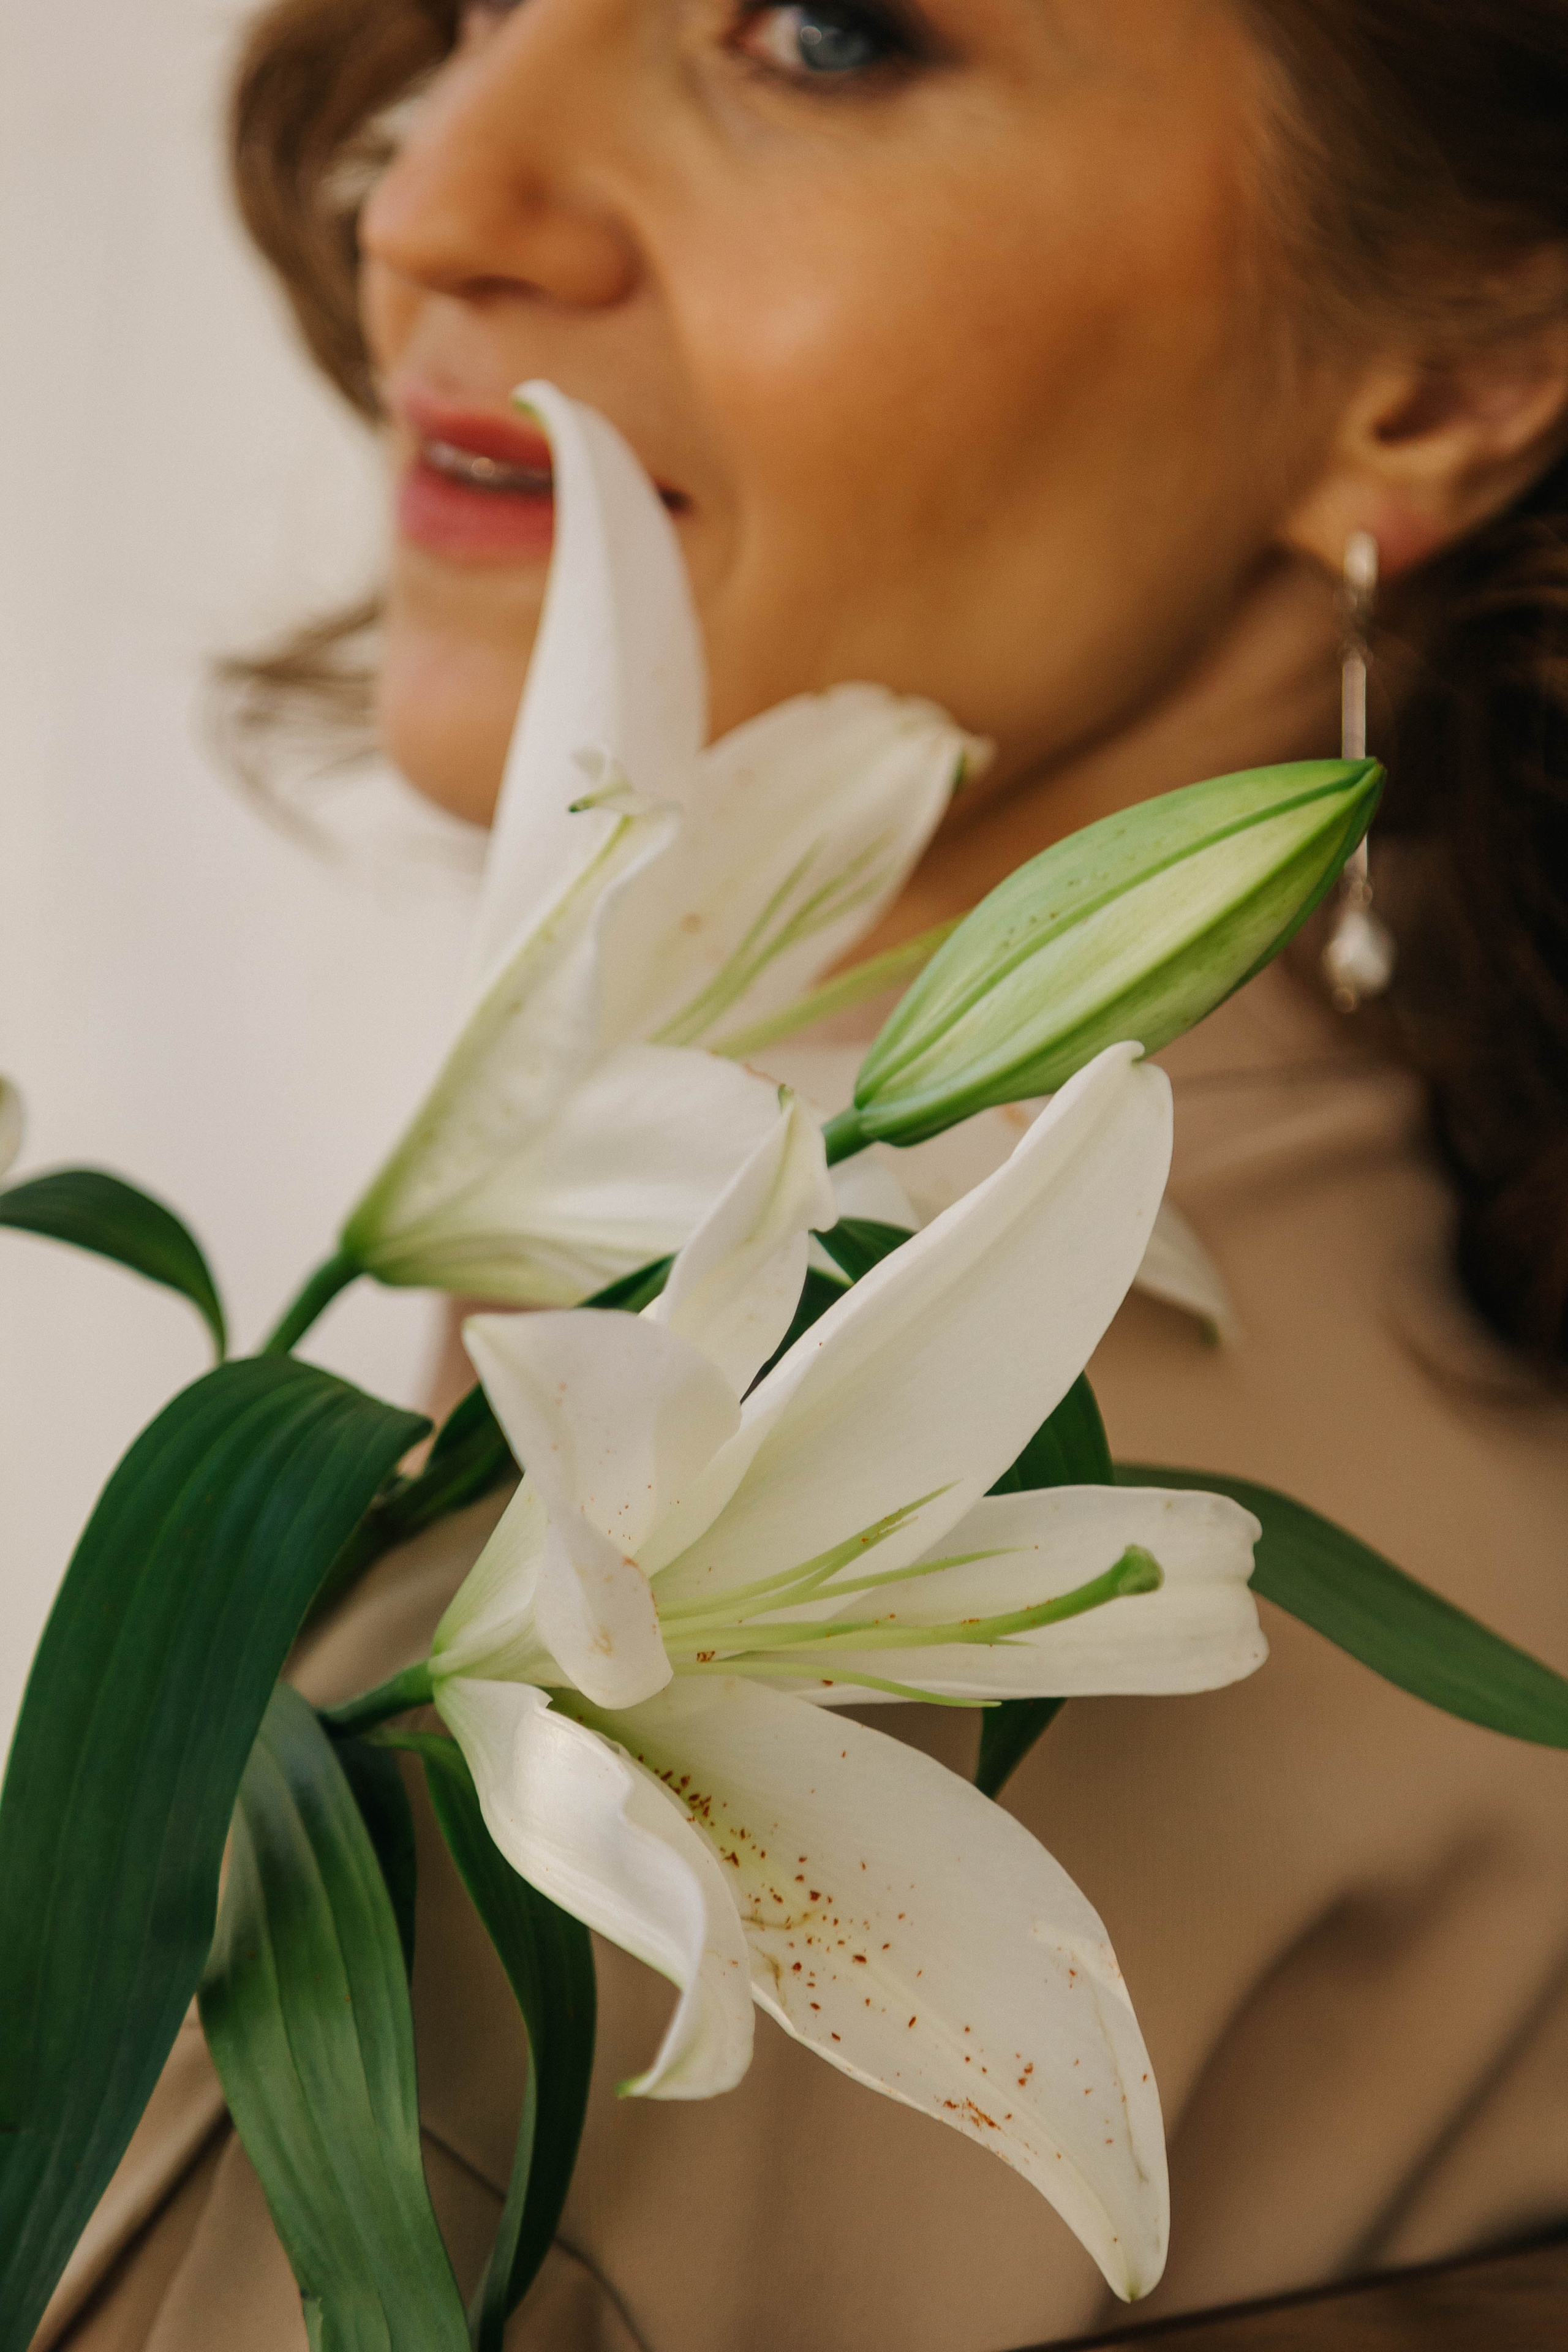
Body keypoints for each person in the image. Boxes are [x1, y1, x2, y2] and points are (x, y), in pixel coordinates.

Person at [44, 5, 1568, 2348]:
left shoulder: (786, 1515)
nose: (432, 196)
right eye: (467, 12)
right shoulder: (1357, 1258)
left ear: (1448, 385)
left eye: (827, 35)